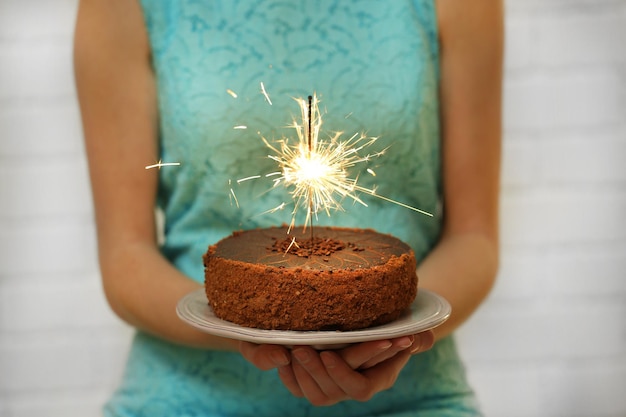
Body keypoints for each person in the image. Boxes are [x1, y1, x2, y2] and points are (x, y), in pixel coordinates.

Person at [74, 0, 502, 415]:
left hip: (413, 398)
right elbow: (124, 257)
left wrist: (395, 338)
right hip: (185, 399)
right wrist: (255, 331)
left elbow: (473, 238)